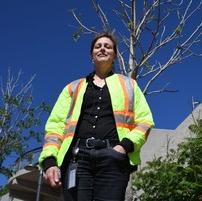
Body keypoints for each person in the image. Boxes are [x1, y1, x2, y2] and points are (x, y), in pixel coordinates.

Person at [38, 32, 154, 201]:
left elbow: (145, 121)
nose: (102, 49)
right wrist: (49, 161)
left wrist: (123, 147)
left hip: (113, 158)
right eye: (98, 46)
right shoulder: (73, 87)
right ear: (92, 55)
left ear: (114, 56)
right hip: (77, 160)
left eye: (108, 46)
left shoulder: (129, 85)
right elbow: (55, 126)